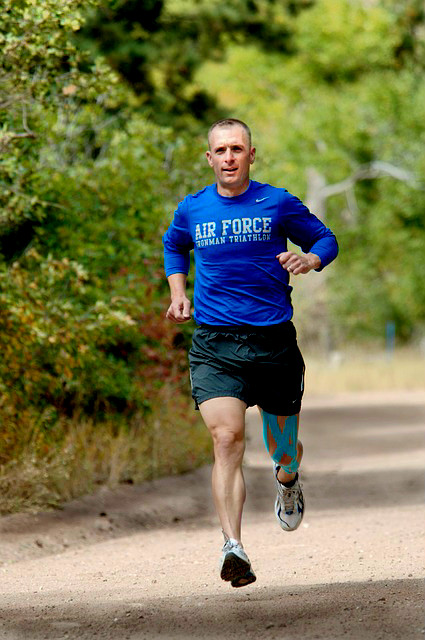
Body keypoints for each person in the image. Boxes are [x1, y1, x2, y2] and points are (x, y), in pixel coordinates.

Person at [163, 118, 338, 588]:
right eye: (220, 150)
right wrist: (178, 292)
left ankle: (287, 480)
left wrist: (310, 258)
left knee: (283, 449)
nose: (228, 158)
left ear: (251, 154)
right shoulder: (193, 208)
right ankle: (233, 547)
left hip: (272, 341)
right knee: (227, 440)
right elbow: (174, 246)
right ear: (209, 158)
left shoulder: (277, 202)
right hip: (215, 343)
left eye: (236, 149)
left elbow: (326, 239)